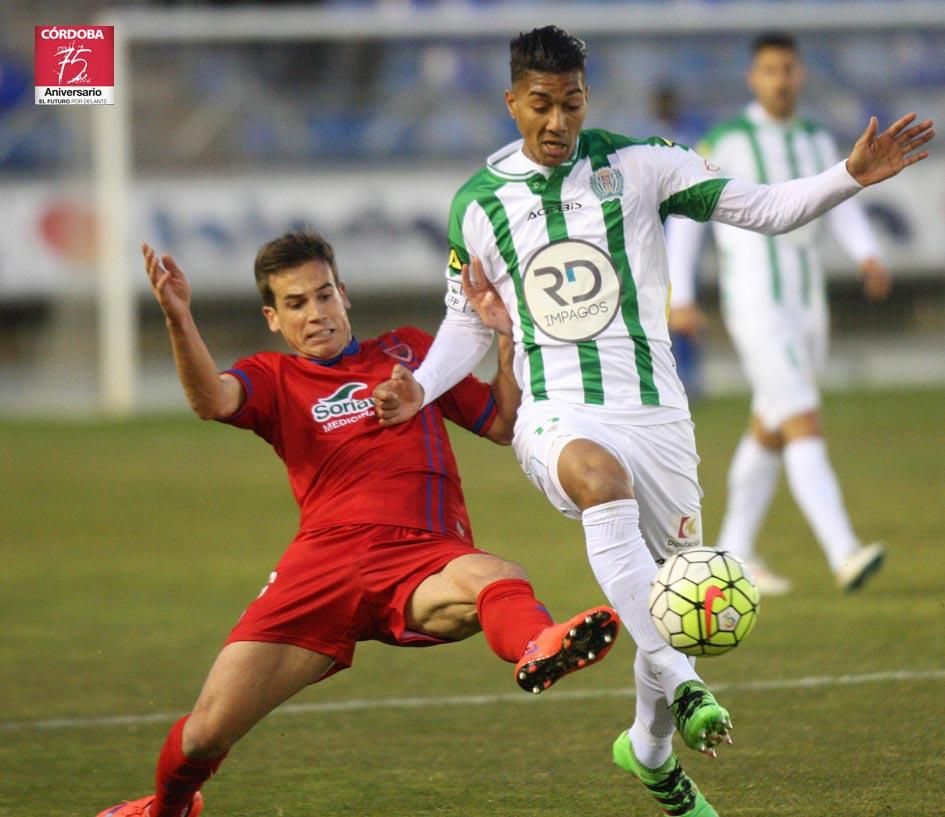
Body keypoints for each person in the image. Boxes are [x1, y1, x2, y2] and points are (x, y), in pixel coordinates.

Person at [372, 25, 933, 817]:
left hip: (657, 413)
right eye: (540, 105)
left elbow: (765, 209)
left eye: (571, 103)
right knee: (600, 486)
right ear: (511, 102)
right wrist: (420, 390)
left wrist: (847, 176)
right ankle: (688, 687)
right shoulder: (477, 203)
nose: (557, 121)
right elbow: (466, 320)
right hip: (555, 411)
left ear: (585, 99)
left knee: (677, 600)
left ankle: (649, 752)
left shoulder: (640, 166)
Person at [95, 230, 620, 817]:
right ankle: (166, 808)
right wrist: (178, 318)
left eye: (323, 295)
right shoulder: (274, 378)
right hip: (319, 568)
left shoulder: (411, 353)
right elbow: (211, 400)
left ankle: (538, 644)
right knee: (206, 732)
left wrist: (504, 336)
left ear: (344, 294)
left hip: (421, 557)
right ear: (273, 317)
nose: (316, 313)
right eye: (296, 304)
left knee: (497, 574)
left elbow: (501, 422)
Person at [665, 32, 894, 596]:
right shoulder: (728, 141)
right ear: (753, 78)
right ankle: (843, 552)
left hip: (806, 302)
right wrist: (680, 294)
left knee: (772, 423)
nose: (781, 79)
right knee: (801, 418)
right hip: (757, 301)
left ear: (801, 75)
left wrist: (867, 253)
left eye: (788, 69)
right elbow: (691, 216)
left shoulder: (818, 138)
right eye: (769, 70)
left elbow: (837, 198)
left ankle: (734, 552)